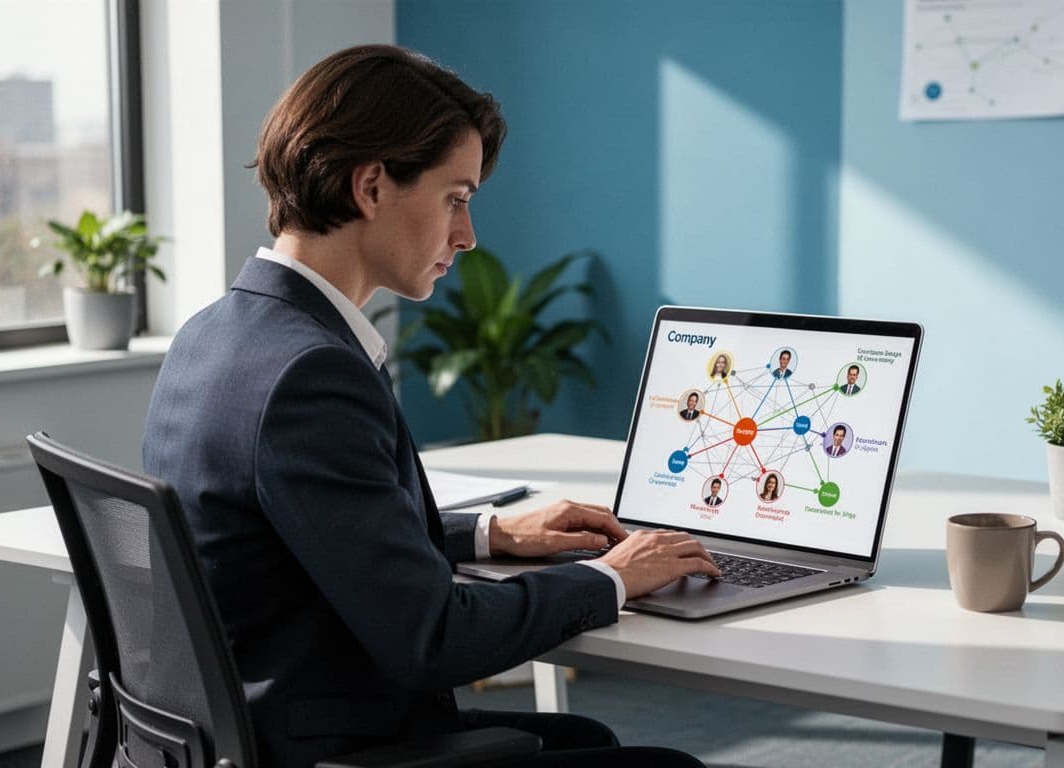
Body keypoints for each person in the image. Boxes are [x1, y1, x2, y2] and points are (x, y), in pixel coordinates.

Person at [142, 45, 717, 768]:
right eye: (457, 197)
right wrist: (613, 576)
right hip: (332, 745)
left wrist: (489, 534)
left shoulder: (218, 333)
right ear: (373, 186)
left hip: (258, 727)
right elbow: (434, 637)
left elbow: (310, 529)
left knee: (585, 741)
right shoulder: (312, 373)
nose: (467, 236)